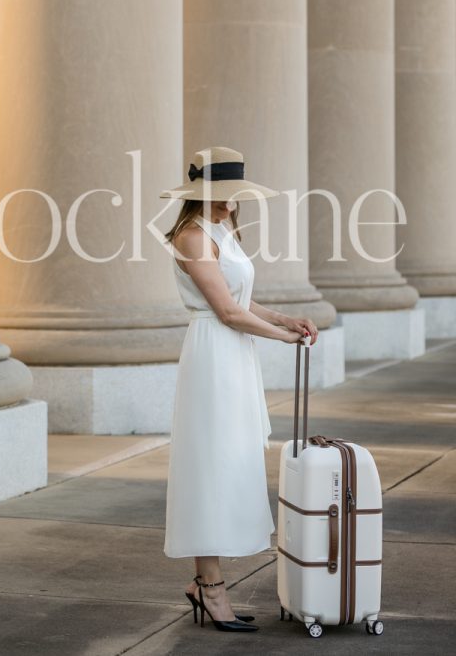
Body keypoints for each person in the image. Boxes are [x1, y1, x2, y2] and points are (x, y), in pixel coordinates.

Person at [159, 146, 318, 633]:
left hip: (233, 355)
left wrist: (283, 317)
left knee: (231, 460)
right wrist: (284, 336)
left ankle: (203, 583)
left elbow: (241, 299)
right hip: (213, 354)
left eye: (235, 195)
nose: (232, 203)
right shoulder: (191, 236)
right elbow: (226, 312)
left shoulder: (223, 230)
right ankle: (210, 587)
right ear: (202, 195)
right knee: (211, 464)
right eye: (224, 195)